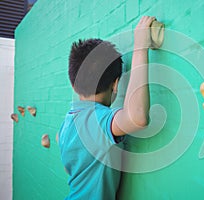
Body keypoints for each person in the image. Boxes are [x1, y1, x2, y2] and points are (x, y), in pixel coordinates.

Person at [58, 16, 156, 199]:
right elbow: (138, 117)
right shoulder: (96, 119)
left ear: (73, 85)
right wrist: (140, 48)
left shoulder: (67, 123)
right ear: (116, 84)